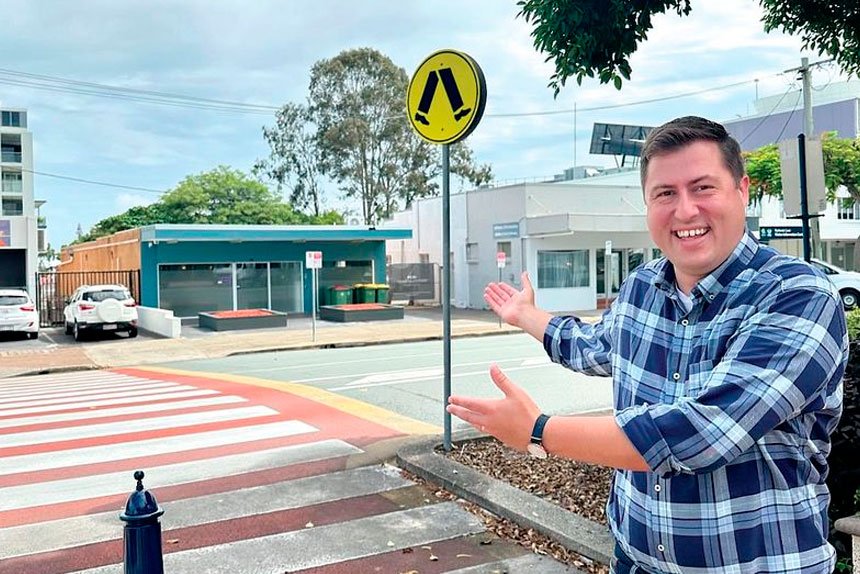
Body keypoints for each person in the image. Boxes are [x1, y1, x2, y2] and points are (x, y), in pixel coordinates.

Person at [446, 116, 847, 574]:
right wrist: (527, 315)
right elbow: (594, 347)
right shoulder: (642, 287)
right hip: (636, 562)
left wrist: (538, 431)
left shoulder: (797, 295)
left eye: (703, 188)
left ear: (742, 190)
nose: (685, 211)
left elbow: (702, 432)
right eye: (665, 194)